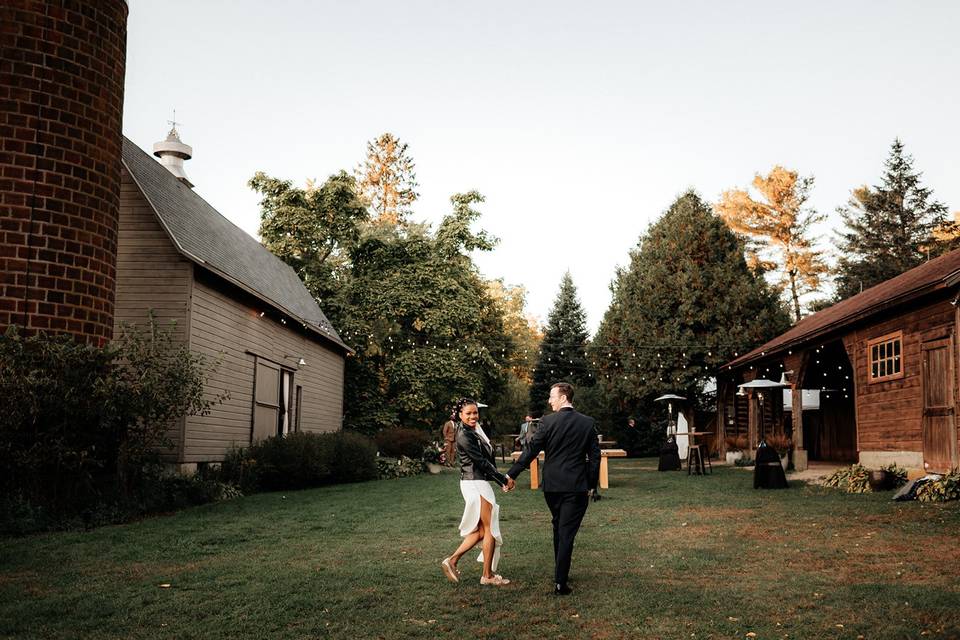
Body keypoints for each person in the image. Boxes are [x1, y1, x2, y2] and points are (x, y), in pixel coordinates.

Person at [503, 382, 601, 596]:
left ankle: (560, 572)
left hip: (552, 486)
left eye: (552, 396)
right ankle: (560, 582)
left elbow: (530, 452)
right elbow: (595, 458)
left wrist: (512, 473)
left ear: (564, 397)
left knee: (559, 526)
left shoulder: (547, 422)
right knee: (565, 531)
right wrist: (591, 485)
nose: (549, 401)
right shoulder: (587, 423)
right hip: (575, 487)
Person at [441, 397, 511, 586]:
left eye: (475, 412)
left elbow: (485, 460)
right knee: (489, 529)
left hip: (476, 482)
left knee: (481, 531)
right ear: (460, 415)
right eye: (469, 413)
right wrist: (502, 479)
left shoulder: (472, 430)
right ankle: (486, 576)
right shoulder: (464, 434)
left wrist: (498, 480)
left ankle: (453, 560)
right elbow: (480, 462)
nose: (473, 416)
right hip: (475, 483)